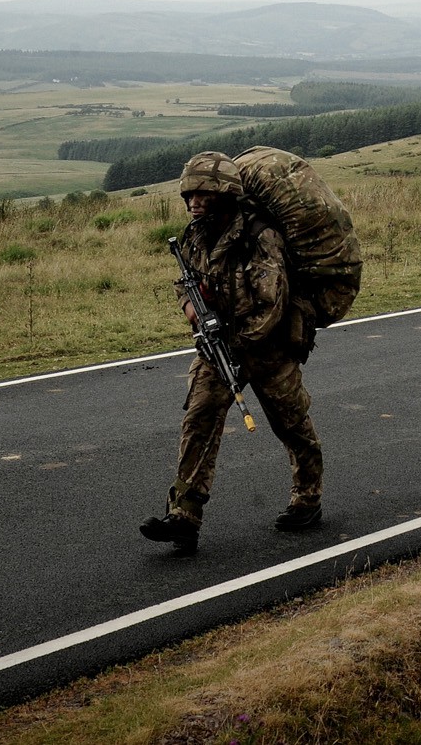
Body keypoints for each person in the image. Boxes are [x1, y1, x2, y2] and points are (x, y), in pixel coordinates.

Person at [140, 152, 323, 554]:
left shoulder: (259, 236)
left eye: (203, 194)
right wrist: (195, 312)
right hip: (218, 345)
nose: (194, 202)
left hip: (267, 346)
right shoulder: (195, 235)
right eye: (190, 195)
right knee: (199, 418)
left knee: (290, 422)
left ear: (225, 194)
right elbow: (184, 284)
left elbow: (272, 304)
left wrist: (240, 346)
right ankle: (184, 516)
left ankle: (307, 496)